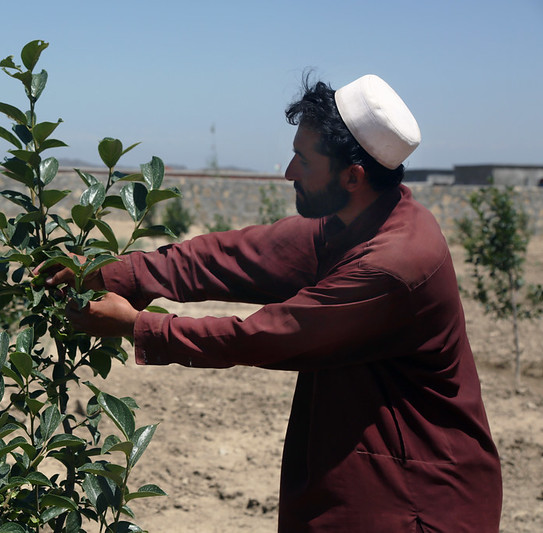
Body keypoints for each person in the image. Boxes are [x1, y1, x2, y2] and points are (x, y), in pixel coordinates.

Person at [41, 74, 503, 532]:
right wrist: (109, 271)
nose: (288, 172)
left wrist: (136, 326)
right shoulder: (356, 221)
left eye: (303, 159)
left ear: (353, 175)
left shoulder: (391, 264)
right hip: (370, 475)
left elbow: (268, 336)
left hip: (413, 501)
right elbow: (232, 256)